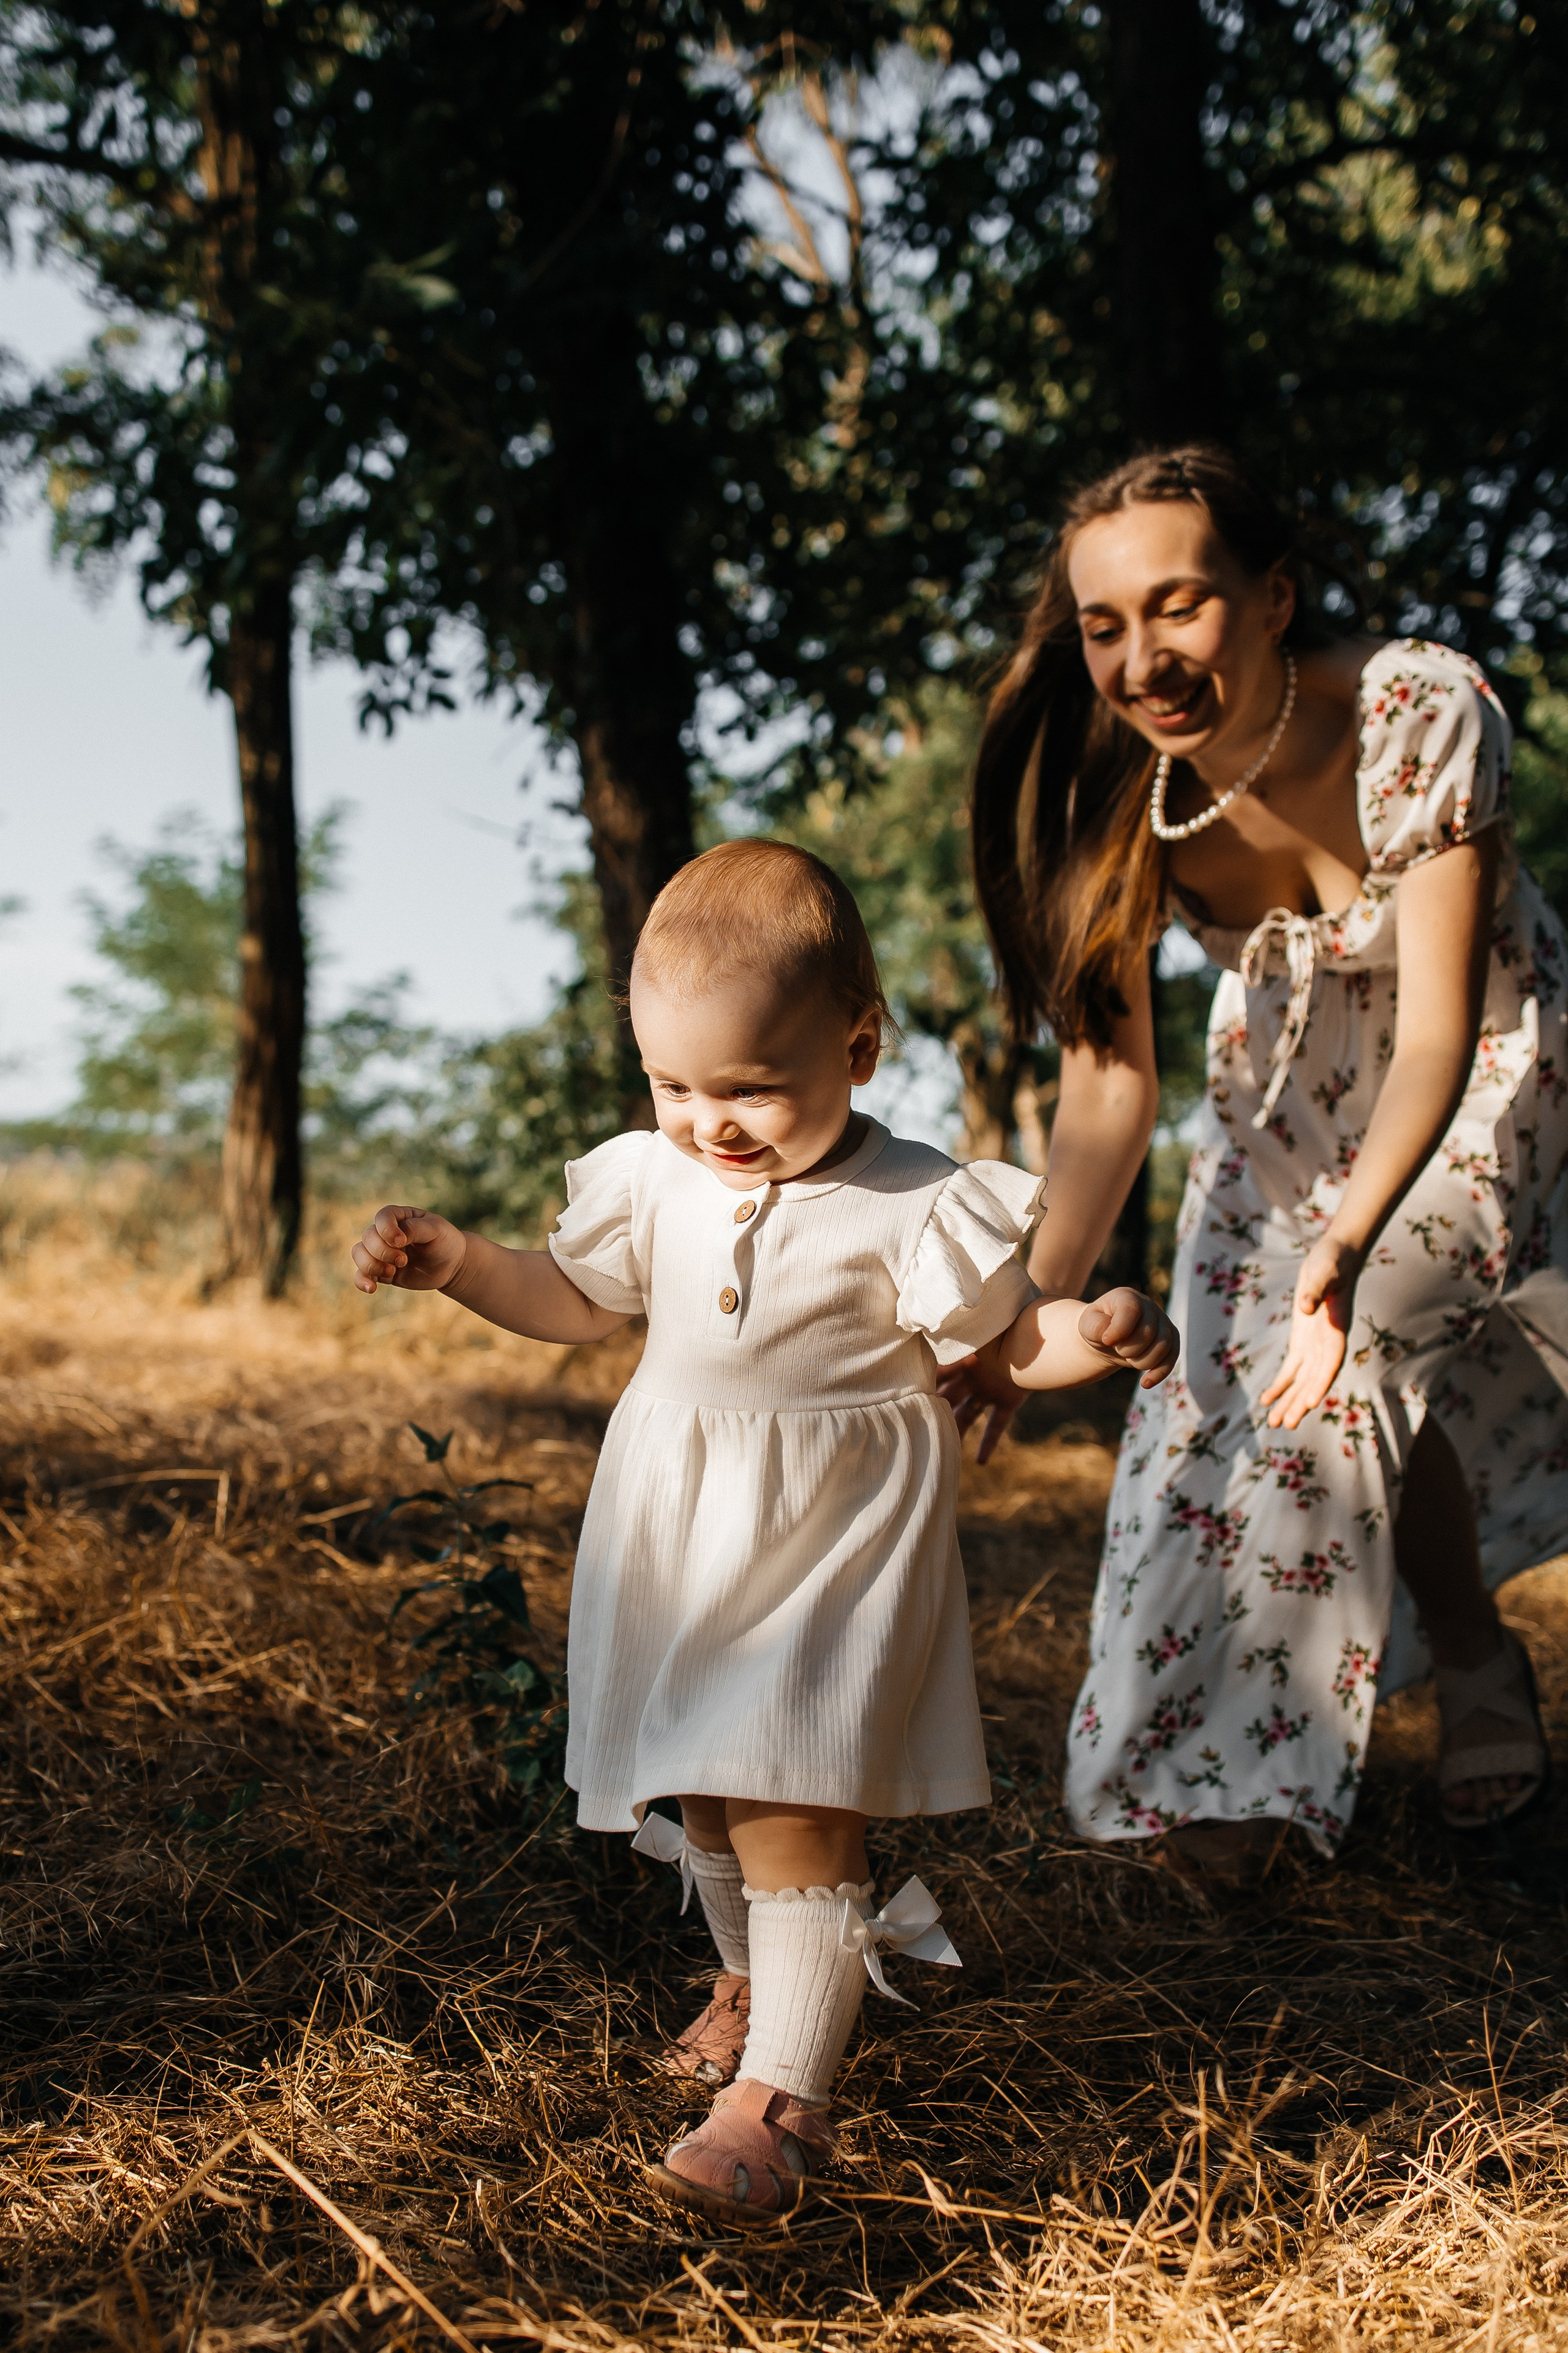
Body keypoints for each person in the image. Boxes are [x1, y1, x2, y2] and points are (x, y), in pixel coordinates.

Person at [350, 839, 1178, 2224]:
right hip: (678, 1528)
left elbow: (1006, 1333)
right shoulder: (654, 1177)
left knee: (795, 1792)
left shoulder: (914, 1197)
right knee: (709, 1791)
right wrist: (460, 1266)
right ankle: (753, 1980)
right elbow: (573, 1299)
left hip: (831, 1538)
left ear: (857, 1047)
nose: (709, 1122)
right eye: (674, 1085)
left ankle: (783, 2095)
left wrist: (1085, 1336)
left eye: (748, 1087)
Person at [946, 445, 1564, 1886]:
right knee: (1198, 1404)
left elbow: (1429, 1031)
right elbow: (1105, 1088)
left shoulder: (1416, 705)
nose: (1141, 659)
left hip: (1471, 1062)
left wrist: (1342, 1246)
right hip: (1279, 1086)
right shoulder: (1124, 792)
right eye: (1104, 627)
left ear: (1272, 596)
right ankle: (1201, 1785)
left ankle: (1452, 1665)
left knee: (1349, 1355)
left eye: (1181, 607)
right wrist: (1017, 1317)